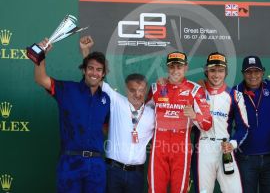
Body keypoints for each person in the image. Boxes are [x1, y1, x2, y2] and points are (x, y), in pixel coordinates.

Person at [79, 36, 155, 193]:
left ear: (146, 91)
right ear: (126, 90)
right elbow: (96, 78)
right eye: (133, 90)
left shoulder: (152, 114)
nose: (137, 94)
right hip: (113, 171)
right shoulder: (117, 101)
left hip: (137, 174)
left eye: (141, 90)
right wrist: (86, 51)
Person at [34, 39, 110, 193]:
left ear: (103, 74)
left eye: (98, 70)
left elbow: (105, 129)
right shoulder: (67, 89)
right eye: (90, 68)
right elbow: (41, 79)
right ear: (84, 70)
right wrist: (40, 56)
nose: (94, 73)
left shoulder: (106, 100)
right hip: (70, 163)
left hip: (96, 165)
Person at [147, 51, 213, 193]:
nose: (175, 70)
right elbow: (141, 114)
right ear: (167, 68)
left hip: (181, 149)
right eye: (172, 67)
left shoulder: (195, 90)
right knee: (155, 190)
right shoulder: (156, 88)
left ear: (186, 68)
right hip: (159, 147)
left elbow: (208, 123)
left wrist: (195, 116)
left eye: (179, 67)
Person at [192, 52, 249, 193]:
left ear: (226, 72)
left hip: (225, 149)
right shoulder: (195, 92)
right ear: (206, 71)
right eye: (212, 70)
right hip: (203, 149)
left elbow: (244, 127)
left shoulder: (235, 95)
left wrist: (232, 145)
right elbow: (176, 87)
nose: (216, 75)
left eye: (220, 70)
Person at [234, 56, 270, 193]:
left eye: (257, 71)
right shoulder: (235, 92)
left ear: (263, 72)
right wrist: (203, 85)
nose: (253, 75)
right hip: (245, 159)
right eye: (249, 72)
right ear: (243, 73)